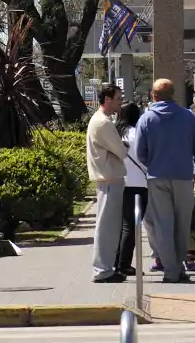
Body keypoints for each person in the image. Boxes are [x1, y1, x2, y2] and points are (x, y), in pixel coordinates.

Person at [137, 78, 195, 284]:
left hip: (157, 177)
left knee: (162, 225)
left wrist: (152, 163)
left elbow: (140, 152)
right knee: (182, 224)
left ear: (154, 96)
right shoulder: (188, 117)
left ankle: (171, 271)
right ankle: (180, 267)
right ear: (174, 94)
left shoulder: (146, 119)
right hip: (184, 177)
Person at [86, 83, 128, 283]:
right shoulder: (103, 123)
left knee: (109, 227)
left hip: (109, 179)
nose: (121, 102)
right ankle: (102, 270)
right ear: (108, 99)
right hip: (109, 180)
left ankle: (105, 268)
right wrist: (124, 146)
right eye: (119, 98)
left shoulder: (100, 121)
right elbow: (121, 151)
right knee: (107, 228)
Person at [115, 102, 152, 276]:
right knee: (131, 226)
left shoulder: (117, 134)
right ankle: (124, 264)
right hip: (139, 183)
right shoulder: (139, 133)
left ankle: (117, 262)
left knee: (122, 225)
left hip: (119, 183)